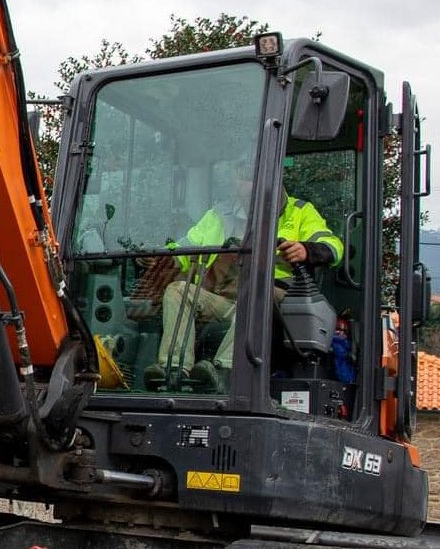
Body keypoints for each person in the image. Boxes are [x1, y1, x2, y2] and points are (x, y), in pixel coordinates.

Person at [142, 161, 342, 391]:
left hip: (275, 303)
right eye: (242, 175)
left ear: (274, 178)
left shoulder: (300, 212)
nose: (247, 183)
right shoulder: (219, 215)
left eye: (252, 176)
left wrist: (307, 250)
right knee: (178, 290)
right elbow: (184, 249)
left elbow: (333, 246)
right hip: (227, 300)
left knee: (255, 290)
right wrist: (159, 257)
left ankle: (223, 372)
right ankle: (173, 369)